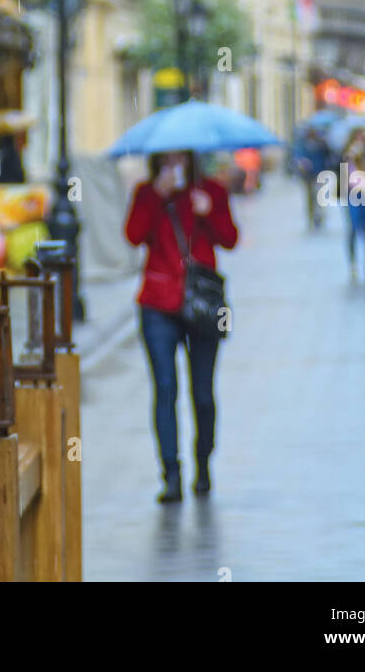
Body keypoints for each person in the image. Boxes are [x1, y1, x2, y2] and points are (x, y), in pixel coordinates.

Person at [125, 149, 238, 503]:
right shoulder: (147, 193)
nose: (174, 162)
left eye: (180, 157)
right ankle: (170, 474)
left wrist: (210, 212)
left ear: (191, 157)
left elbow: (230, 238)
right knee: (165, 388)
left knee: (202, 394)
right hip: (158, 304)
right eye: (167, 157)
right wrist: (158, 193)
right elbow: (133, 235)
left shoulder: (212, 192)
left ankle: (203, 463)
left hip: (202, 304)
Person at [341, 130, 365, 282]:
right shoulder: (346, 156)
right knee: (353, 228)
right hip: (352, 195)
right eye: (357, 138)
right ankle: (353, 263)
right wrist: (348, 157)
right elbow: (338, 173)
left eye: (362, 138)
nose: (359, 141)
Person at [295, 127, 329, 228]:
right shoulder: (302, 144)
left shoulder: (320, 143)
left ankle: (319, 215)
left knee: (319, 196)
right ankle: (311, 215)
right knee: (310, 196)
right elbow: (298, 155)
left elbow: (327, 154)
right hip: (307, 175)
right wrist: (302, 162)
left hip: (319, 173)